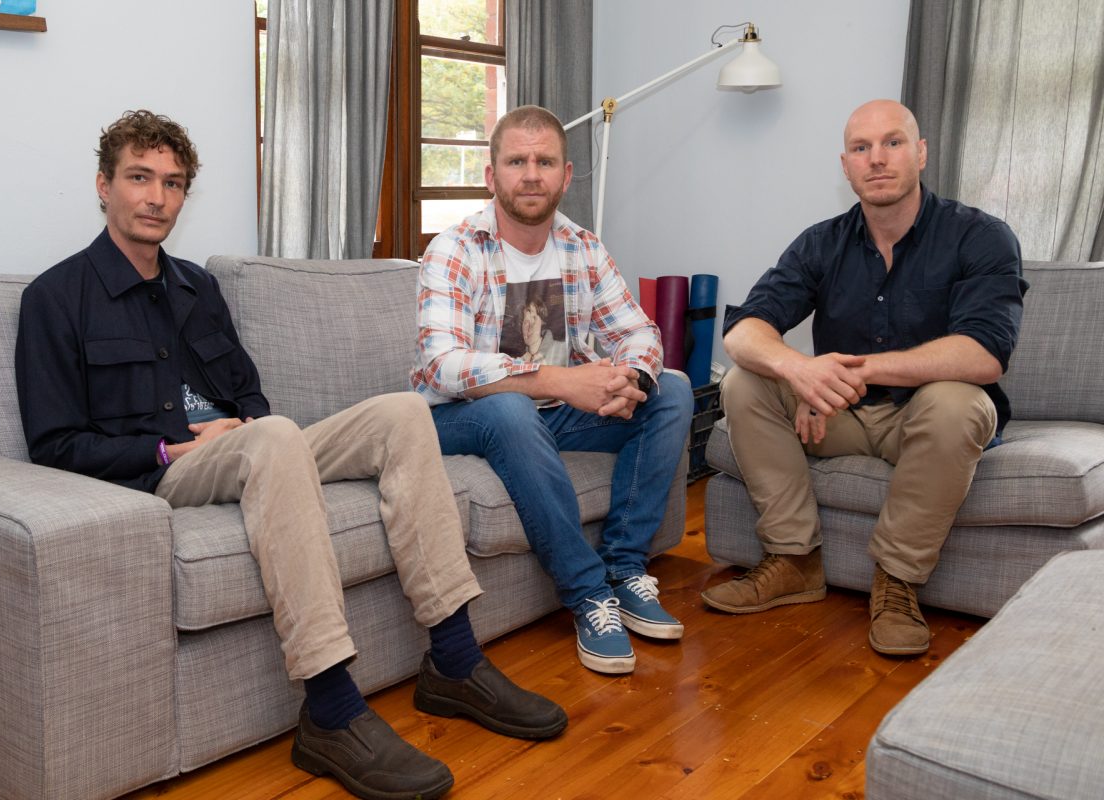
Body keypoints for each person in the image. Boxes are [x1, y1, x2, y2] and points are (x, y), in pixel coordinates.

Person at [15, 110, 567, 800]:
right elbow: (54, 447)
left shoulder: (198, 288)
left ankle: (454, 661)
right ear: (104, 185)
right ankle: (331, 709)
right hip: (162, 470)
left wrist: (246, 424)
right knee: (273, 435)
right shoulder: (55, 299)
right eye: (139, 178)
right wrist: (169, 444)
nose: (156, 197)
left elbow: (249, 393)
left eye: (173, 183)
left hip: (251, 449)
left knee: (398, 413)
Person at [701, 99, 1027, 656]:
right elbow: (742, 332)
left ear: (920, 153)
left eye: (893, 143)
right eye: (861, 148)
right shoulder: (821, 242)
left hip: (924, 422)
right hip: (841, 419)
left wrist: (854, 369)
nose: (877, 159)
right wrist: (799, 371)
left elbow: (985, 353)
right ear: (845, 165)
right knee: (743, 382)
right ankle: (794, 560)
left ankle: (897, 583)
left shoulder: (981, 237)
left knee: (957, 403)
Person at [412, 105, 694, 675]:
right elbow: (444, 366)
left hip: (554, 415)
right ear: (492, 176)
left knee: (674, 390)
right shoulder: (456, 249)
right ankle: (589, 594)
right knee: (512, 408)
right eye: (517, 161)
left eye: (545, 162)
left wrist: (632, 378)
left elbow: (639, 331)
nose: (531, 174)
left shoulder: (583, 247)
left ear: (567, 176)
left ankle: (624, 564)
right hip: (457, 418)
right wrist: (565, 382)